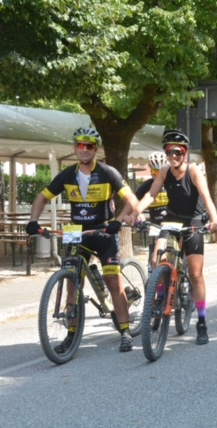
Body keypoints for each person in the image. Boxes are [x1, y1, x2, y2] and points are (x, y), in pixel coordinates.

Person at [25, 127, 139, 353]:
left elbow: (131, 200)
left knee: (113, 281)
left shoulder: (107, 172)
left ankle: (125, 331)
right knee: (72, 283)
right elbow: (42, 197)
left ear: (95, 149)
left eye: (89, 146)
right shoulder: (68, 175)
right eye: (80, 145)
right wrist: (33, 221)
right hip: (76, 232)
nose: (84, 149)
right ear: (75, 148)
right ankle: (71, 335)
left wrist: (117, 221)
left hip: (103, 231)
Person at [126, 130, 217, 345]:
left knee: (195, 274)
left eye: (178, 152)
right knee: (156, 260)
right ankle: (161, 297)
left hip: (193, 221)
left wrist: (214, 220)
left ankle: (202, 322)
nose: (173, 156)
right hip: (172, 219)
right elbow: (150, 195)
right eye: (169, 152)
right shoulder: (164, 171)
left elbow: (206, 196)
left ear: (185, 153)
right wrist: (134, 212)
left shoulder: (193, 170)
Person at [135, 152, 169, 264]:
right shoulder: (146, 186)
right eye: (154, 172)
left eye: (160, 172)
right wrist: (138, 214)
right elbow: (133, 201)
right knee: (155, 255)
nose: (157, 175)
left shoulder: (172, 184)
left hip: (172, 223)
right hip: (155, 225)